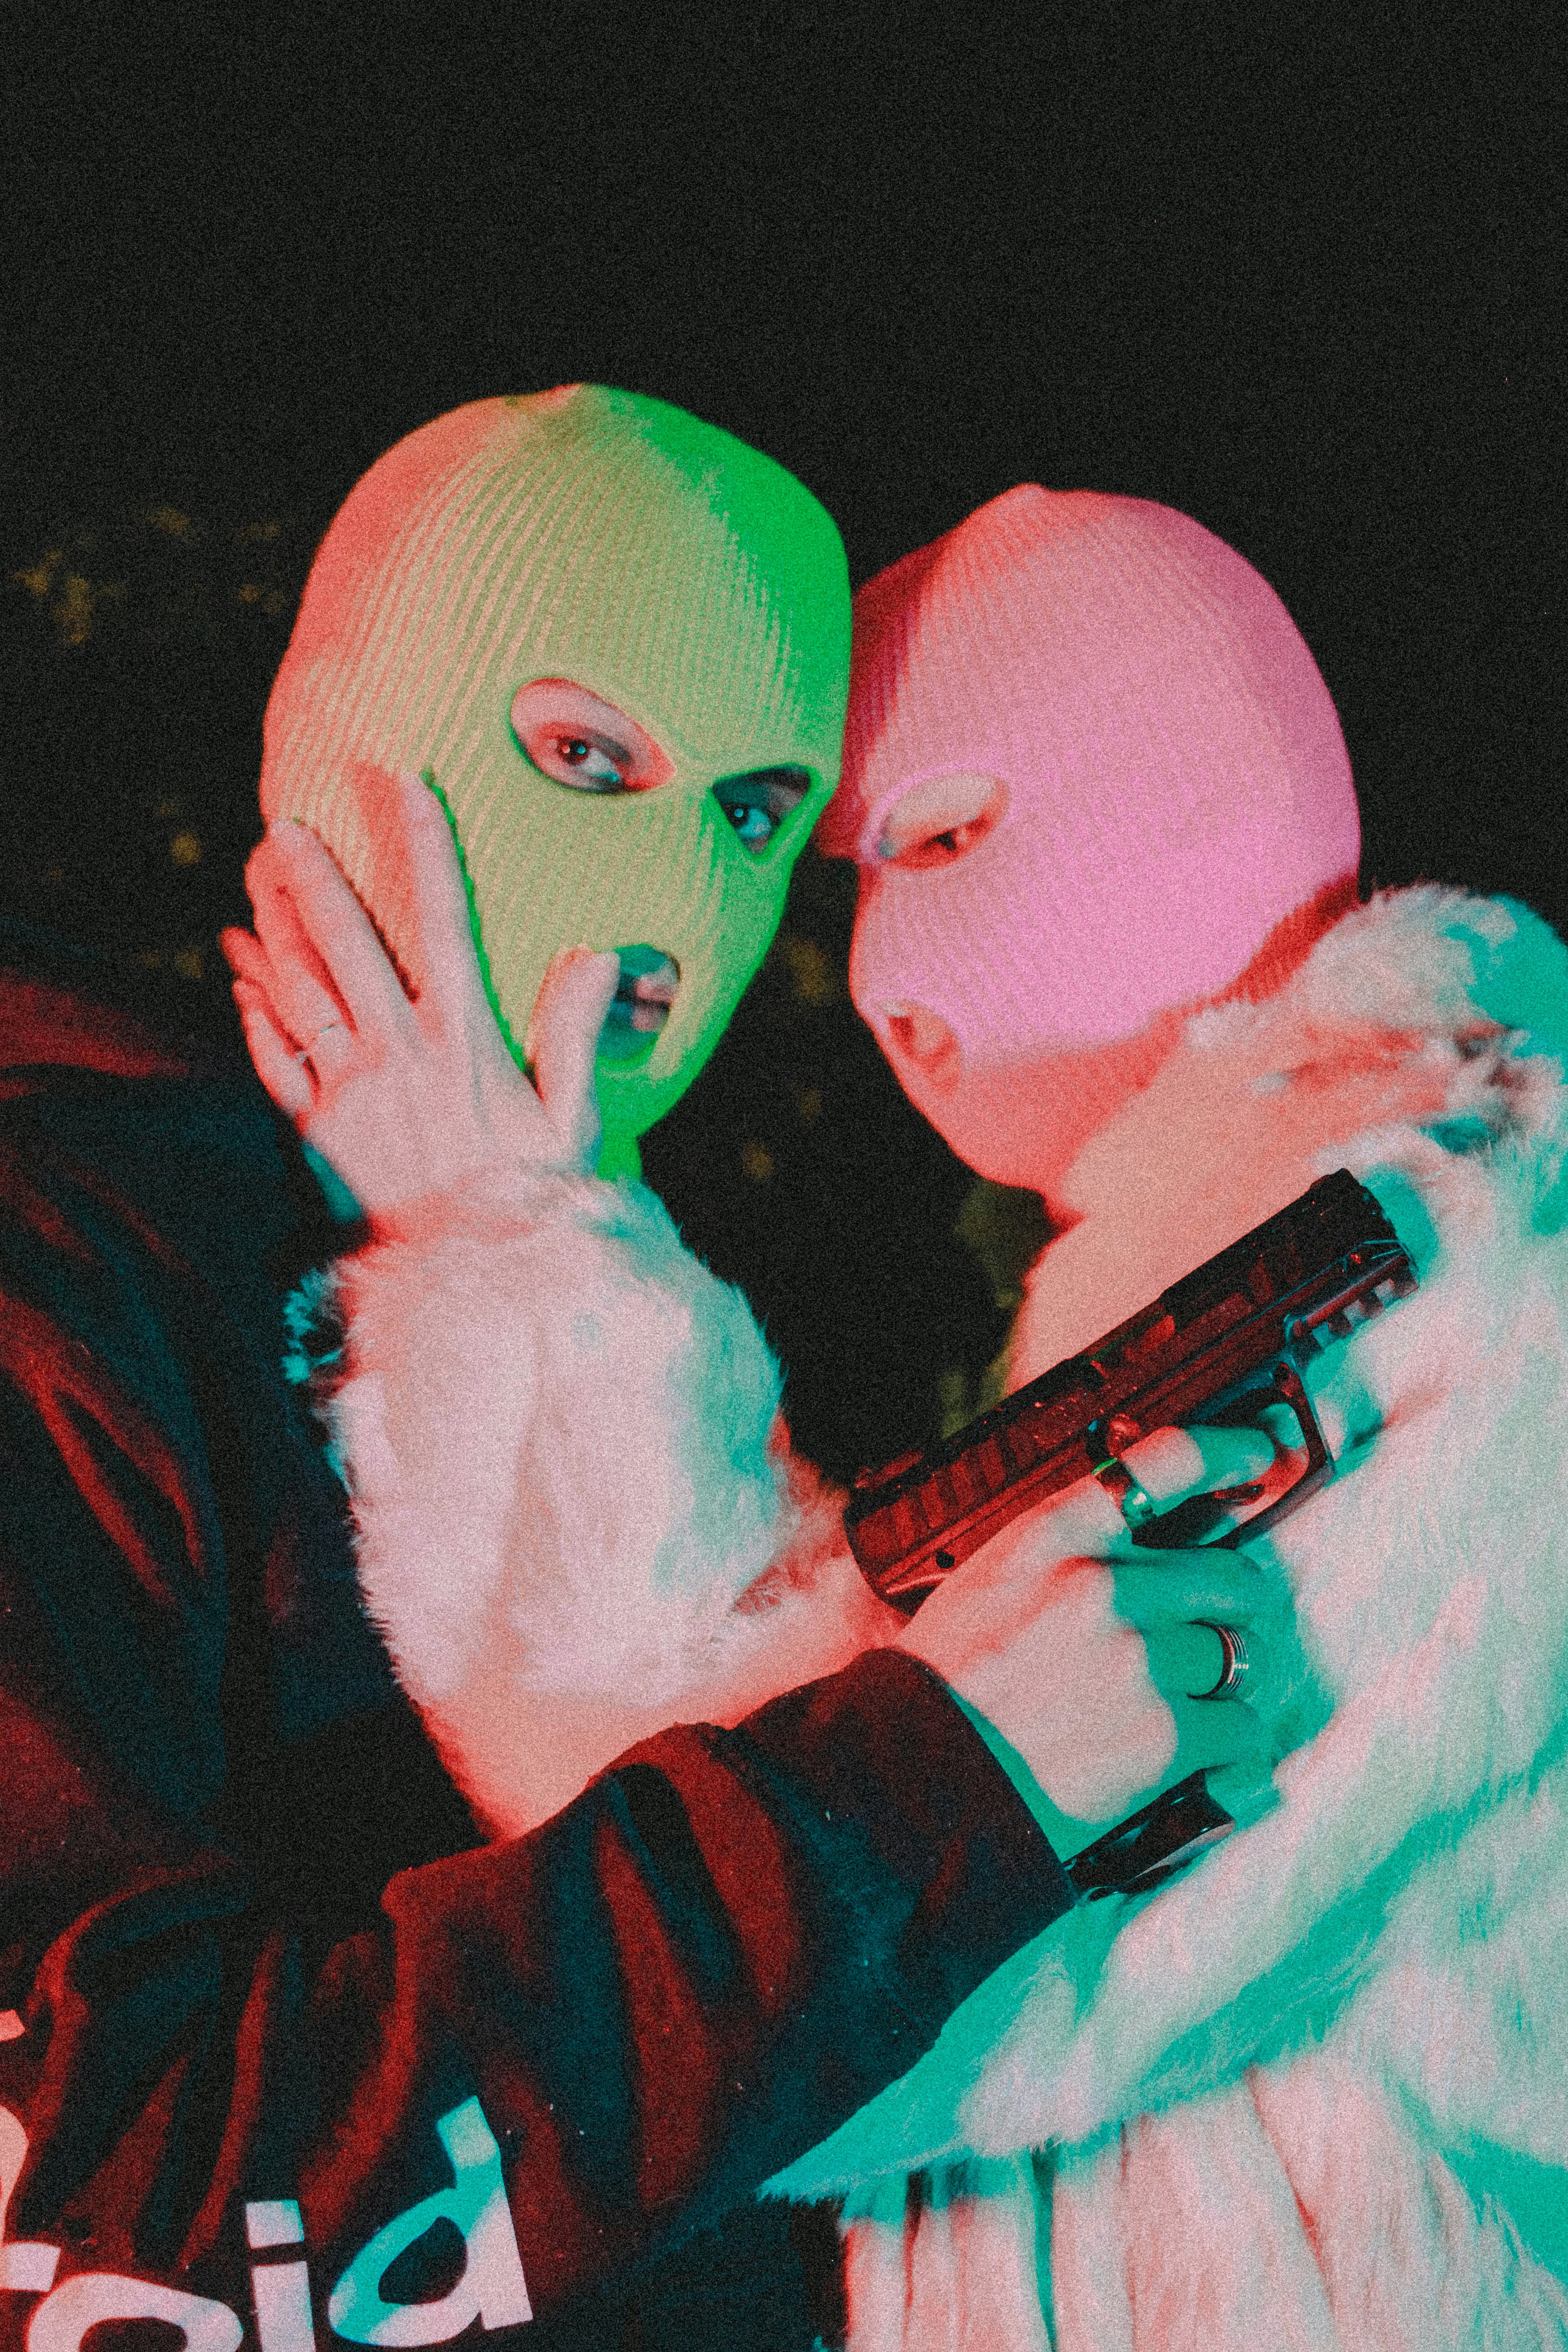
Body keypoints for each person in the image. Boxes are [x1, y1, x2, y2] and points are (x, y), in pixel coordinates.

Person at [0, 392, 1273, 2352]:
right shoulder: (56, 1273)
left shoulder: (618, 1300)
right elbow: (100, 2207)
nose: (679, 887)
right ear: (348, 728)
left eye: (756, 811)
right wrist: (931, 1788)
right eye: (586, 754)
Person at [248, 480, 1568, 2347]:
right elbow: (907, 1727)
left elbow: (918, 1991)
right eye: (847, 875)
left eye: (946, 835)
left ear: (1183, 786)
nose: (880, 983)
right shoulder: (1289, 1258)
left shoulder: (1446, 1276)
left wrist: (499, 1241)